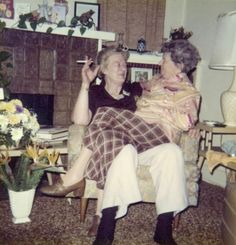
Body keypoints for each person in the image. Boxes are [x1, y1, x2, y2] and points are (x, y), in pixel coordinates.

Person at [41, 40, 201, 244]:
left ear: (178, 64)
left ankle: (74, 175)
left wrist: (172, 114)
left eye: (165, 59)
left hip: (157, 137)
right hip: (133, 139)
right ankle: (107, 229)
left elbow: (187, 120)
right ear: (104, 70)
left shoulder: (189, 92)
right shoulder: (153, 82)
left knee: (167, 148)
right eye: (117, 64)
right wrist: (86, 85)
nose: (161, 62)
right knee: (116, 145)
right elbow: (81, 120)